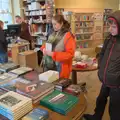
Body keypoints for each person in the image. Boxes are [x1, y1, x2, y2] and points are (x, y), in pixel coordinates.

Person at [83, 10, 120, 120]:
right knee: (100, 100)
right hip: (106, 79)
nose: (110, 29)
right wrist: (100, 68)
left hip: (117, 83)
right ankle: (96, 117)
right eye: (109, 26)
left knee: (115, 107)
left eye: (113, 27)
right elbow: (102, 53)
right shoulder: (109, 38)